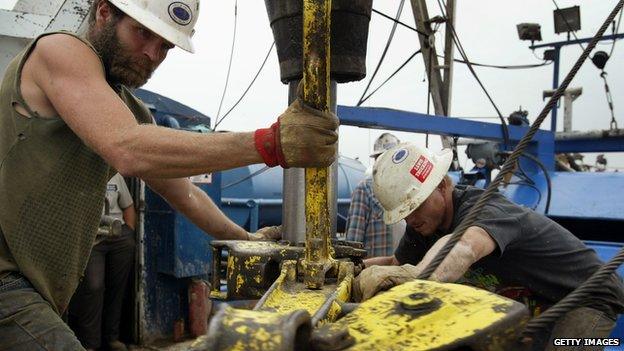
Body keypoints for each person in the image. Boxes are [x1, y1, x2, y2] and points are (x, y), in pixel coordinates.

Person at [0, 0, 338, 348]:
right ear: (103, 12)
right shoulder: (58, 50)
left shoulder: (131, 112)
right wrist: (271, 144)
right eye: (142, 32)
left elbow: (187, 195)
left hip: (39, 290)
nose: (152, 54)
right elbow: (127, 148)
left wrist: (246, 241)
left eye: (164, 45)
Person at [353, 143, 624, 350]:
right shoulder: (423, 226)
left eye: (416, 206)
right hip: (537, 305)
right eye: (404, 213)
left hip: (586, 297)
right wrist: (353, 268)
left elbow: (465, 245)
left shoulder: (484, 209)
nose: (411, 218)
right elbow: (394, 266)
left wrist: (415, 276)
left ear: (443, 185)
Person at [68, 173, 136, 351]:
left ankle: (111, 338)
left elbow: (128, 206)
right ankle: (90, 343)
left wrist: (128, 232)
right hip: (92, 238)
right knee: (93, 287)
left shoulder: (117, 177)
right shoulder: (78, 175)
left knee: (117, 287)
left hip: (118, 235)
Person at [345, 133, 405, 262]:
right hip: (375, 272)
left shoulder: (407, 188)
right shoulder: (365, 189)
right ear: (377, 161)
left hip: (403, 270)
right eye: (383, 158)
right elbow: (353, 242)